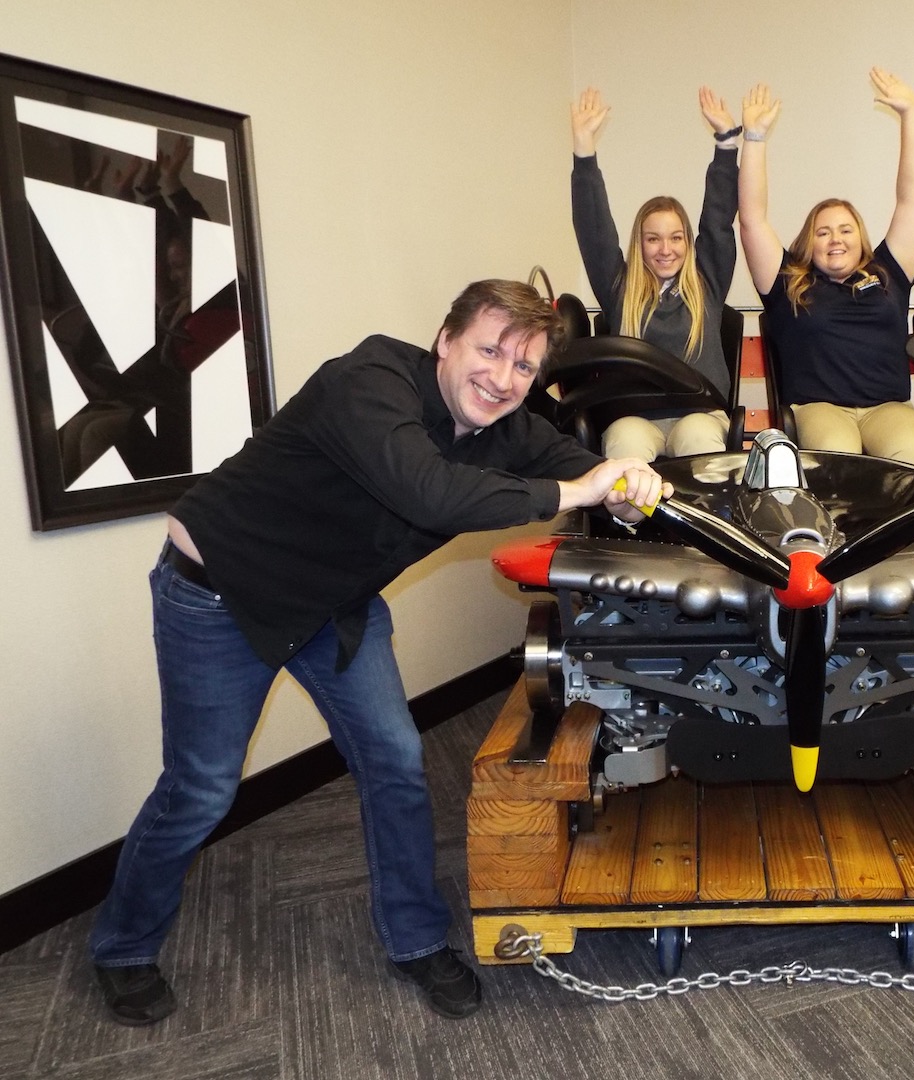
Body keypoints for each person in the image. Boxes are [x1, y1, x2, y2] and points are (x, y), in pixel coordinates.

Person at [88, 279, 666, 1025]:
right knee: (202, 787)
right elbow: (431, 494)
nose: (502, 378)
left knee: (395, 759)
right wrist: (575, 492)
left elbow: (582, 467)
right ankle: (123, 947)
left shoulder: (508, 426)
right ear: (445, 340)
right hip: (221, 595)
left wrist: (623, 479)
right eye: (490, 350)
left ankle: (416, 939)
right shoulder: (368, 381)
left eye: (524, 366)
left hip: (334, 604)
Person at [738, 69, 914, 468]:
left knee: (911, 460)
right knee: (840, 461)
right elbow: (752, 219)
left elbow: (911, 198)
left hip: (887, 408)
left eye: (845, 230)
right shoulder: (787, 283)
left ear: (861, 237)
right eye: (823, 232)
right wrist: (754, 139)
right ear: (809, 242)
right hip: (820, 409)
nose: (835, 239)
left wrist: (910, 114)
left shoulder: (889, 274)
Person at [570, 86, 740, 460]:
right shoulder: (620, 288)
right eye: (653, 239)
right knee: (626, 446)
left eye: (676, 238)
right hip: (635, 418)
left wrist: (726, 144)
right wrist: (584, 151)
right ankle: (629, 505)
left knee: (698, 439)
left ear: (688, 242)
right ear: (640, 243)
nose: (665, 249)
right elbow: (594, 231)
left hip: (700, 416)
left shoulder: (707, 283)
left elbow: (718, 221)